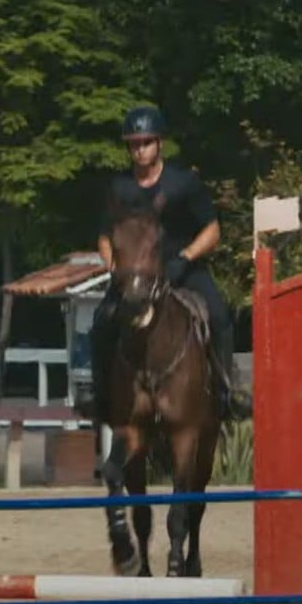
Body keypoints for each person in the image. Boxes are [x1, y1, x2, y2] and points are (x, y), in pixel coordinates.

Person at [78, 105, 239, 422]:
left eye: (146, 142)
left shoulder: (184, 183)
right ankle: (100, 396)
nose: (140, 150)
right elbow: (104, 238)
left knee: (219, 315)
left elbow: (212, 230)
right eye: (134, 144)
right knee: (100, 323)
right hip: (134, 276)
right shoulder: (119, 188)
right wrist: (115, 270)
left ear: (159, 143)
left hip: (182, 267)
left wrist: (186, 257)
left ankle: (228, 392)